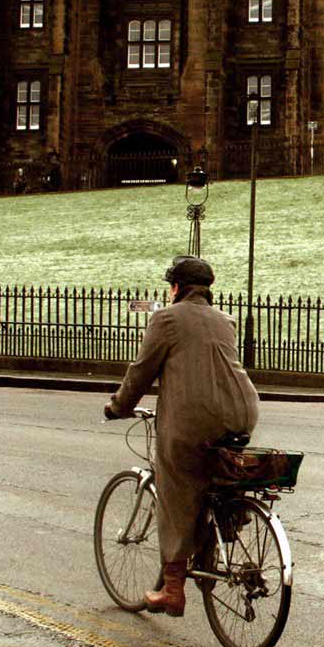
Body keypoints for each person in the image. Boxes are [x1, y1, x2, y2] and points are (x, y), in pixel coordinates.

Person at [103, 256, 259, 617]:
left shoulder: (166, 319)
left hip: (194, 419)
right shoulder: (225, 320)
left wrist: (119, 406)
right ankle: (224, 529)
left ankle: (173, 589)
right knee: (216, 474)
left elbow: (141, 371)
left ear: (176, 288)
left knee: (175, 487)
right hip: (242, 411)